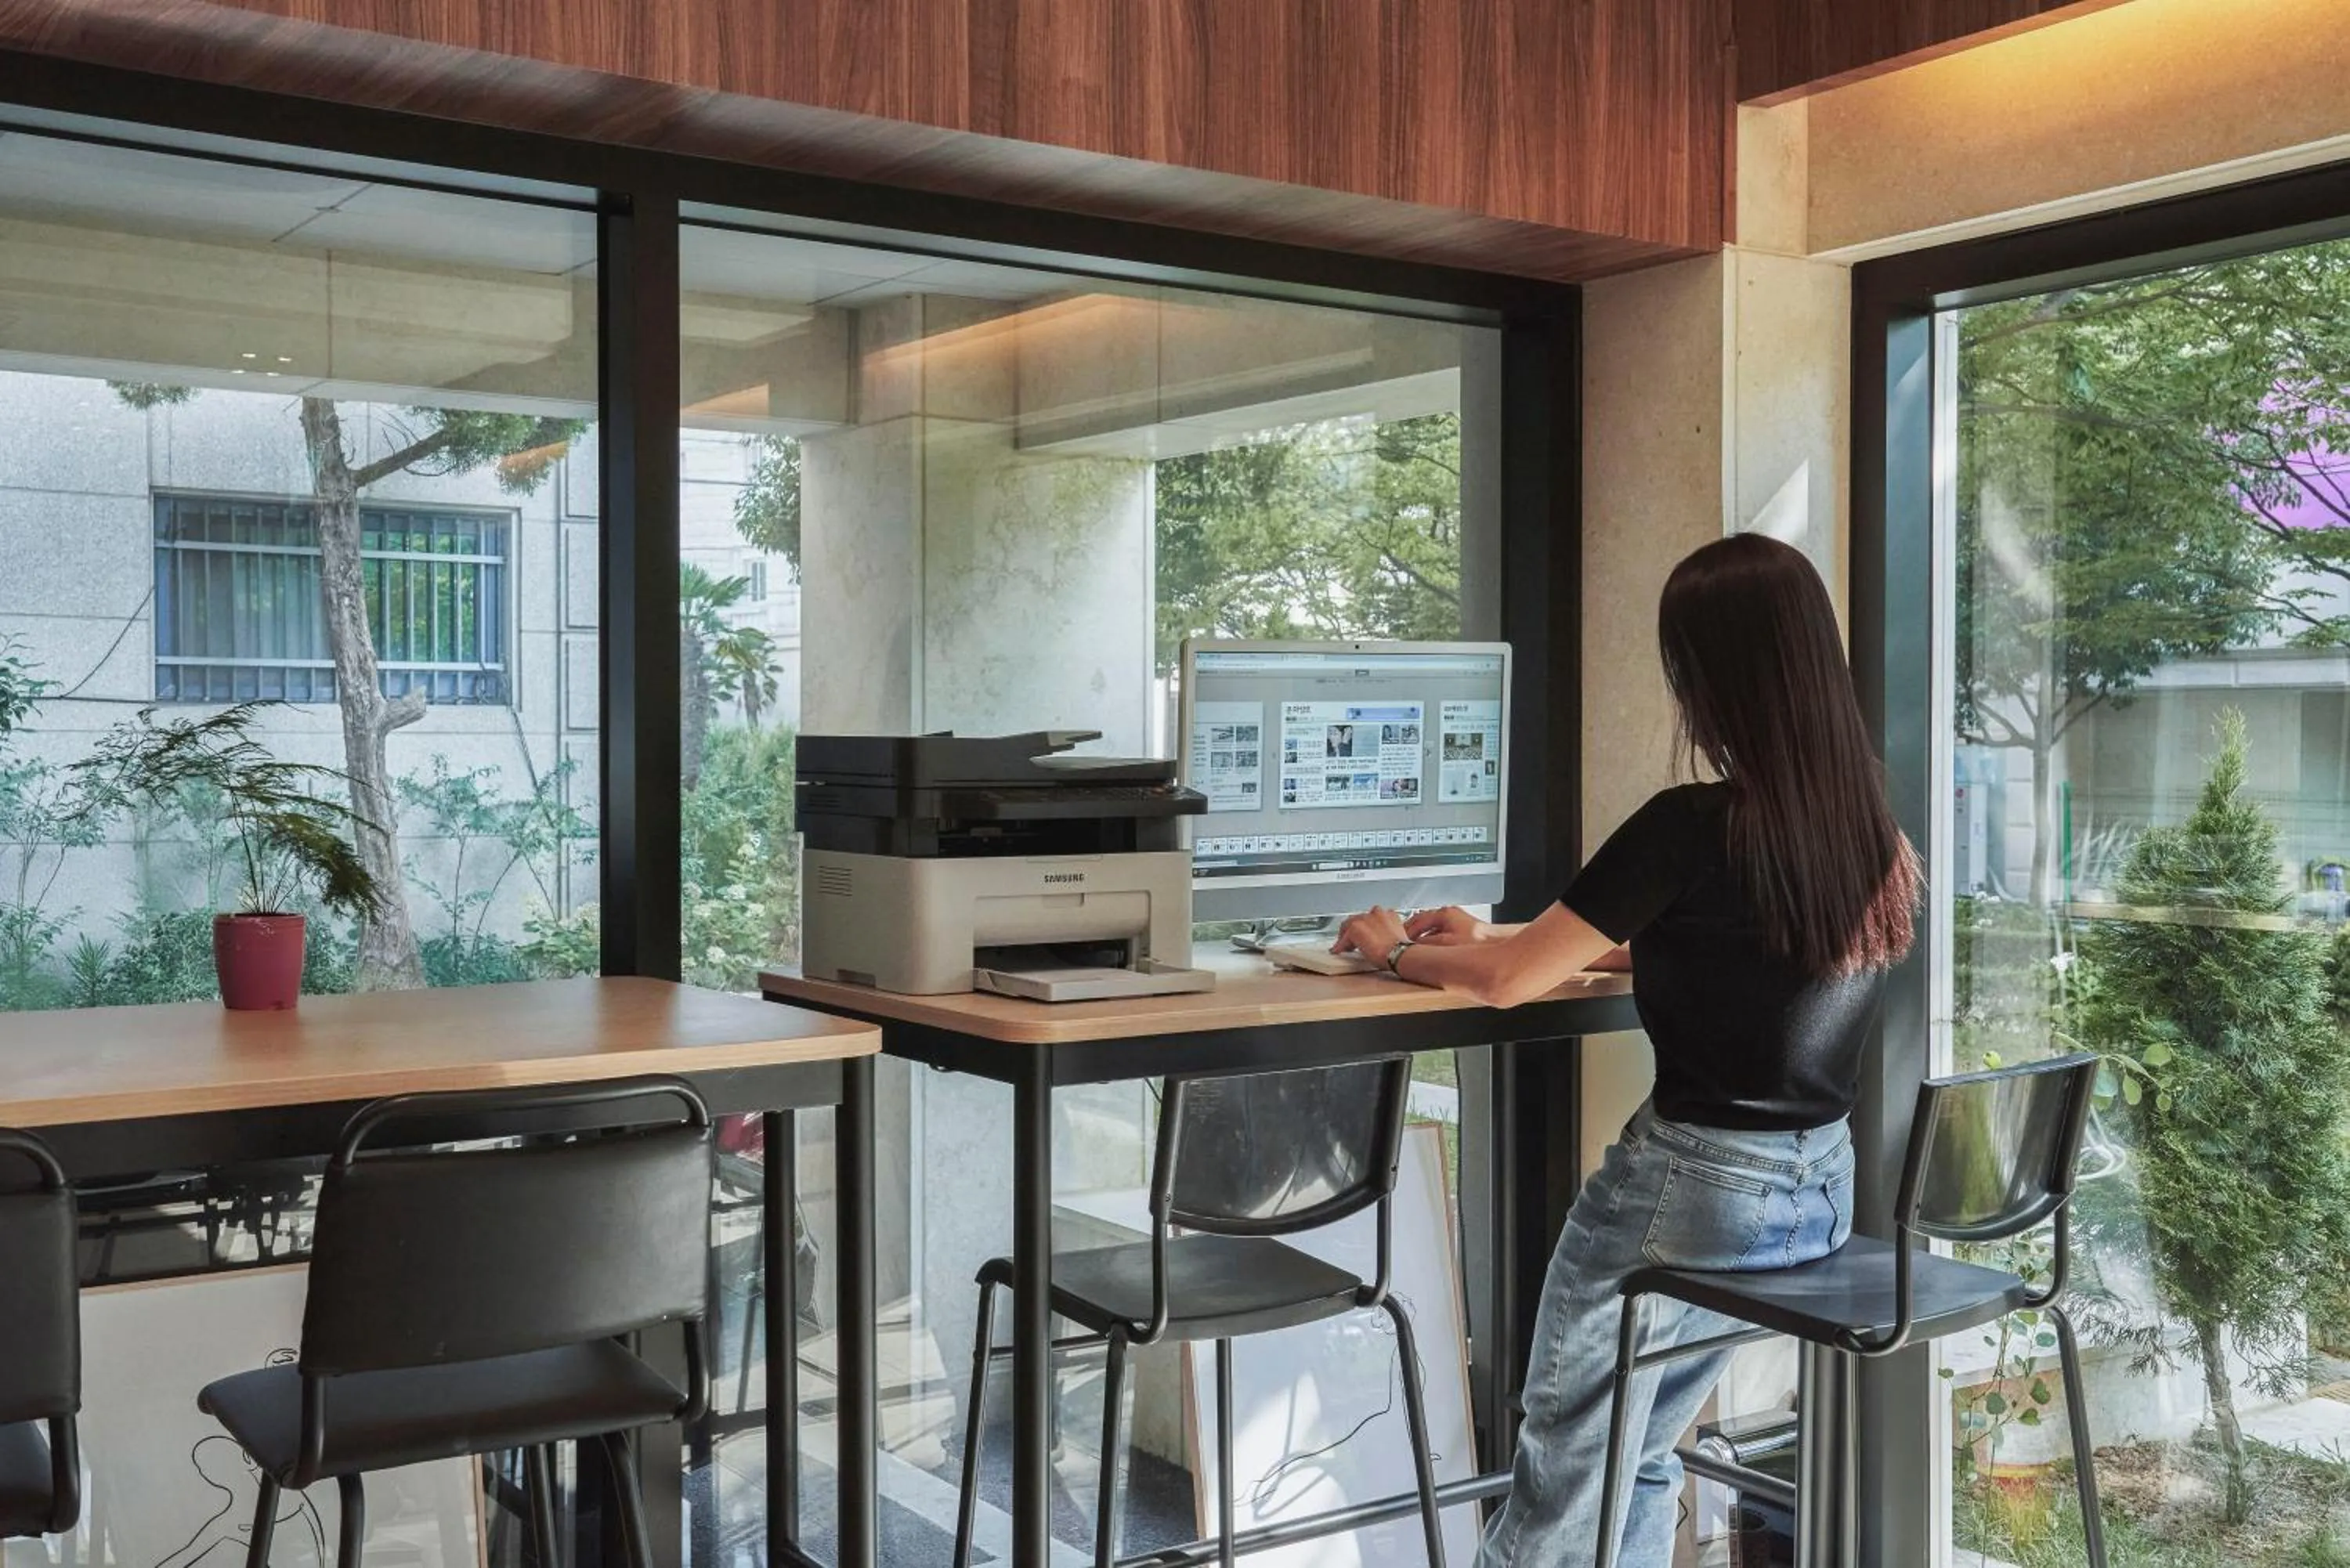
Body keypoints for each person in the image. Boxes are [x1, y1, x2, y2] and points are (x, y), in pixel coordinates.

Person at [1333, 533, 1920, 1568]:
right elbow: (1712, 948)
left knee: (1568, 1464)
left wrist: (1394, 952)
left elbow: (1511, 986)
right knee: (1638, 1453)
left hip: (1693, 1199)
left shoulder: (1688, 824)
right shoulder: (1862, 824)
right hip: (1816, 1196)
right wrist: (1493, 938)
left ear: (1708, 678)